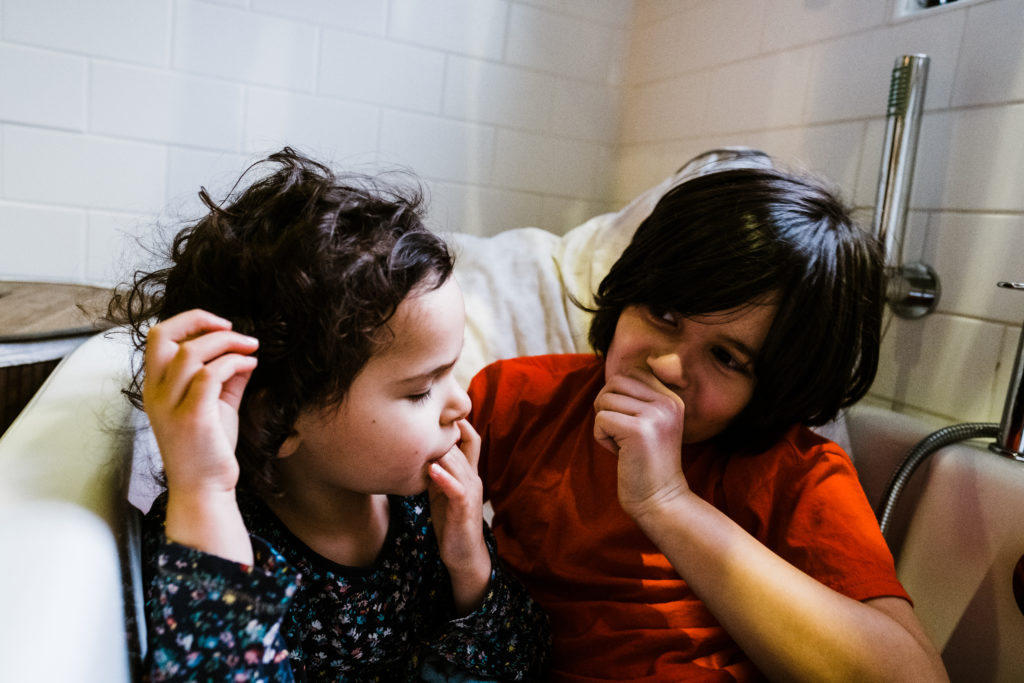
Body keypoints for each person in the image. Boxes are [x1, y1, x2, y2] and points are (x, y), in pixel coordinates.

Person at [467, 163, 949, 681]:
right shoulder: (520, 399)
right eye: (664, 315)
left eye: (726, 358)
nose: (669, 367)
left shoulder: (796, 476)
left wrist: (667, 502)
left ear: (774, 387)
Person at [110, 148, 550, 682]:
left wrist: (469, 561)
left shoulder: (420, 515)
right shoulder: (214, 534)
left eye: (450, 374)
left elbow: (521, 662)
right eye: (420, 391)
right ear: (281, 419)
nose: (461, 404)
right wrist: (204, 489)